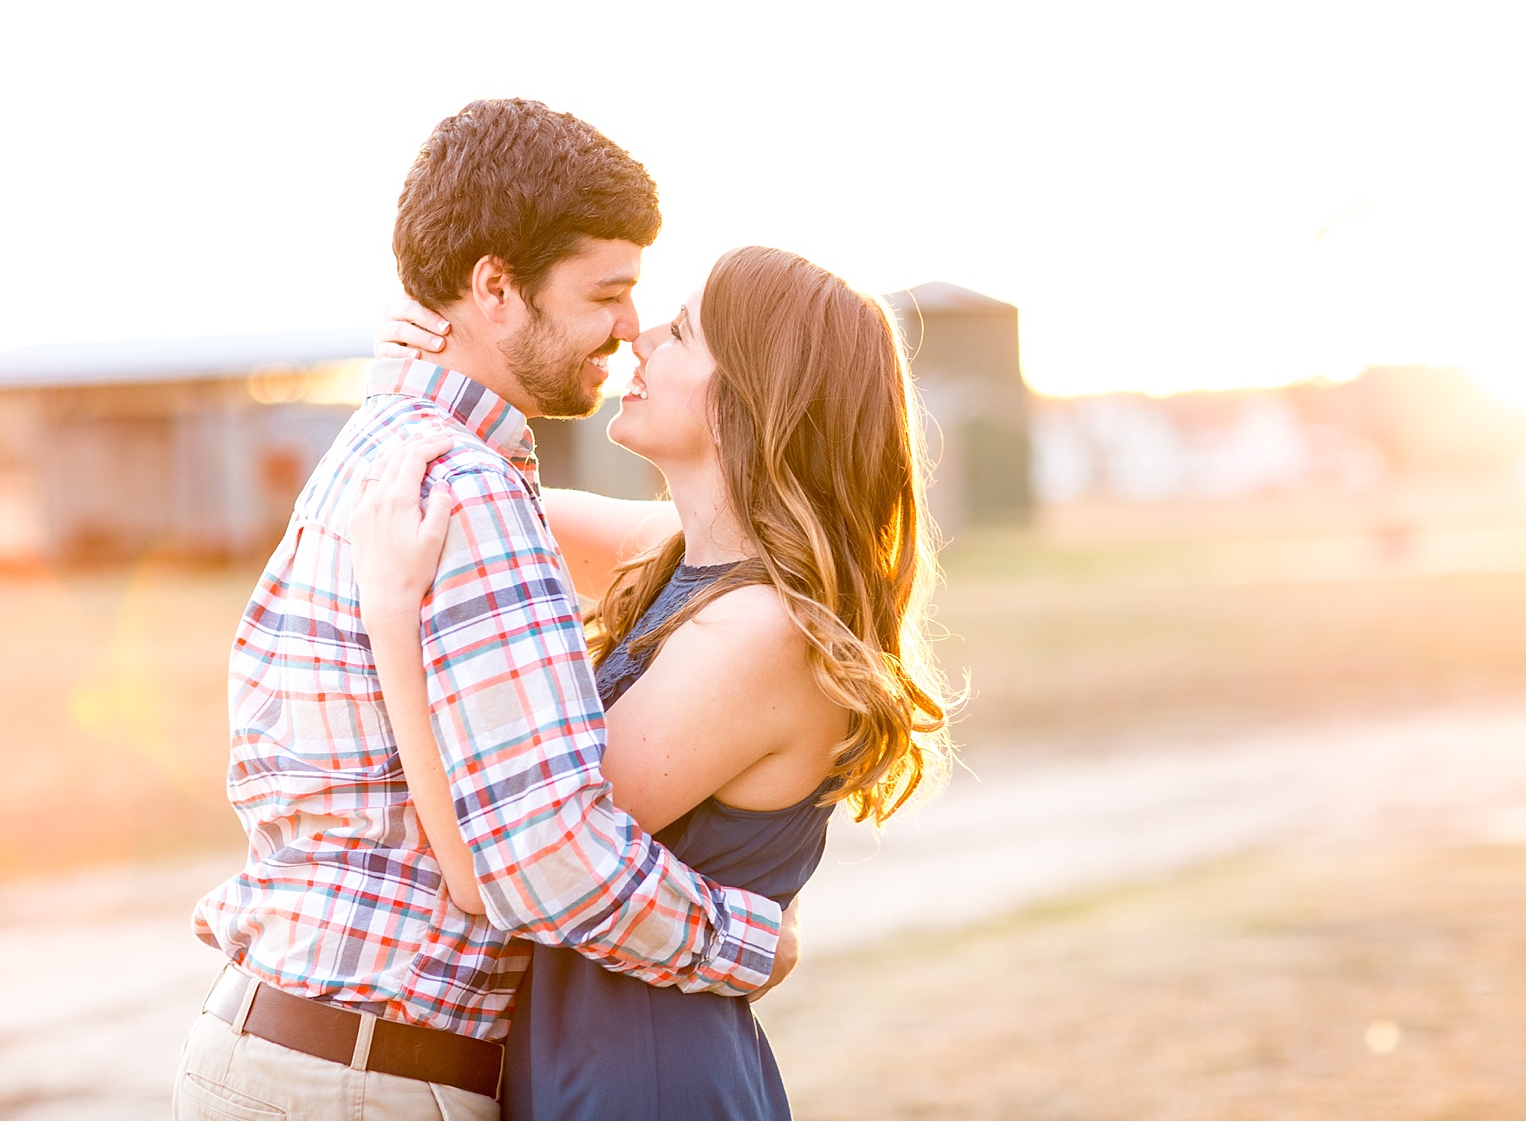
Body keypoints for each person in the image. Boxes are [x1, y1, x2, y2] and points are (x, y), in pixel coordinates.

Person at [174, 100, 799, 1122]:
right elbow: (543, 851)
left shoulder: (401, 452)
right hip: (365, 1082)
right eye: (610, 292)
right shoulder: (461, 488)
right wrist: (744, 938)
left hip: (288, 1049)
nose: (631, 327)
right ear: (495, 286)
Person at [356, 244, 958, 1118]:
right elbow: (476, 493)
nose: (639, 338)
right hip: (588, 1061)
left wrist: (389, 619)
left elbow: (499, 860)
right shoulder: (681, 555)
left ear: (751, 395)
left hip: (640, 1079)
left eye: (681, 332)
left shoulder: (760, 633)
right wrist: (422, 368)